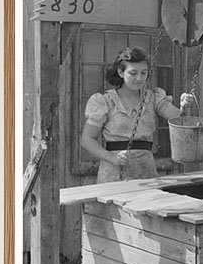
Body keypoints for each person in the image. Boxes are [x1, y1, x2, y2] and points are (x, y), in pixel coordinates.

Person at [81, 47, 196, 183]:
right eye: (133, 73)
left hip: (146, 172)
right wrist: (112, 158)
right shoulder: (105, 101)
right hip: (114, 174)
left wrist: (184, 105)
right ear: (120, 72)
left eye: (144, 73)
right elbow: (87, 139)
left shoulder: (153, 98)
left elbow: (179, 120)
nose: (139, 78)